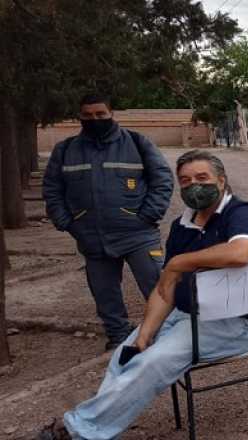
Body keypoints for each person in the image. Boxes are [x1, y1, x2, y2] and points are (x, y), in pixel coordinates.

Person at [38, 150, 248, 440]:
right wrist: (145, 334)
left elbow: (242, 253)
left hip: (238, 321)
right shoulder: (182, 225)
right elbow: (166, 290)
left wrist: (179, 263)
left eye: (202, 178)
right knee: (127, 355)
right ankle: (95, 425)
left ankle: (75, 431)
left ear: (222, 181)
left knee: (154, 361)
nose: (194, 186)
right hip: (188, 313)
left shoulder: (240, 213)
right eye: (186, 181)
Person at [42, 93, 174, 351]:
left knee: (157, 285)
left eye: (100, 114)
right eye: (88, 115)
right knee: (104, 293)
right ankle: (117, 335)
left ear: (112, 114)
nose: (95, 119)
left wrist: (147, 216)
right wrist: (67, 222)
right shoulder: (66, 150)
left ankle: (167, 333)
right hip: (92, 237)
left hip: (138, 235)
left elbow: (162, 181)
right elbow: (52, 189)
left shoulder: (137, 143)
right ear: (80, 116)